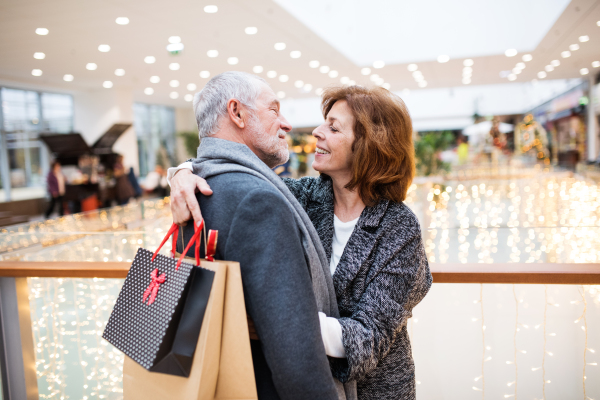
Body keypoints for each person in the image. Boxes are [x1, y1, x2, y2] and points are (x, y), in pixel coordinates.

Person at [170, 83, 432, 399]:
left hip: (373, 391)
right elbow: (236, 176)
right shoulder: (305, 196)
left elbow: (368, 340)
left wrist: (279, 322)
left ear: (368, 145)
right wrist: (182, 173)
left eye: (333, 128)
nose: (317, 132)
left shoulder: (399, 228)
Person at [175, 72, 352, 400]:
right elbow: (296, 353)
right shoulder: (257, 200)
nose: (286, 123)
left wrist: (182, 170)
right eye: (274, 110)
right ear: (237, 113)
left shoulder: (194, 191)